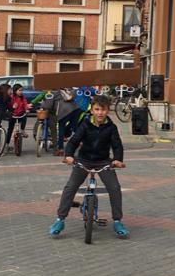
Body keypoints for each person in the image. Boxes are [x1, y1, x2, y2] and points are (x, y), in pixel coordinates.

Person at [49, 94, 128, 238]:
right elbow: (73, 142)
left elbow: (117, 146)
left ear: (107, 111)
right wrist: (69, 156)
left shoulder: (111, 127)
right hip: (83, 160)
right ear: (92, 110)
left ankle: (117, 221)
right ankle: (60, 220)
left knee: (115, 187)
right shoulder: (85, 124)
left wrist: (117, 159)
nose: (100, 113)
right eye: (97, 109)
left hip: (103, 162)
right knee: (70, 187)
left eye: (103, 110)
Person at [53, 87, 82, 155]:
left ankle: (61, 148)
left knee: (61, 129)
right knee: (75, 128)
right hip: (75, 109)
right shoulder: (72, 89)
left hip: (64, 111)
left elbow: (49, 104)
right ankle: (84, 142)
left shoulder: (56, 92)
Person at [6, 83, 30, 149]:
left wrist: (26, 109)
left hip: (20, 114)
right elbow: (8, 105)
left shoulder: (22, 97)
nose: (21, 92)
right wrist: (12, 107)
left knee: (25, 116)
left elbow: (25, 103)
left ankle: (22, 130)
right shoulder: (11, 97)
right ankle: (6, 144)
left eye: (22, 90)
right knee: (10, 130)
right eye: (19, 90)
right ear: (15, 91)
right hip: (13, 115)